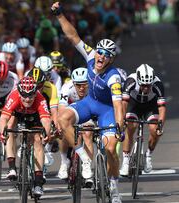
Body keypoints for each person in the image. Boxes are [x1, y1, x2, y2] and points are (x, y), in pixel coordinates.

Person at [52, 2, 124, 202]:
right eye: (100, 52)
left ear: (111, 59)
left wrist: (119, 126)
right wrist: (59, 15)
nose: (101, 56)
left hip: (107, 110)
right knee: (62, 118)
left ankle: (114, 186)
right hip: (89, 103)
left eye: (106, 55)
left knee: (110, 148)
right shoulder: (91, 55)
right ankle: (83, 156)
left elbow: (118, 105)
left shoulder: (113, 77)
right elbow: (73, 36)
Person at [0, 76, 52, 197]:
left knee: (38, 139)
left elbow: (46, 120)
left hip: (35, 118)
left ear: (35, 93)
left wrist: (47, 134)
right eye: (24, 96)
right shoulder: (14, 96)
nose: (27, 100)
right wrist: (3, 133)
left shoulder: (40, 99)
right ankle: (12, 168)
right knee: (9, 128)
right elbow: (3, 118)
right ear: (19, 93)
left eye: (30, 96)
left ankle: (38, 183)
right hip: (18, 114)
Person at [119, 64, 166, 176]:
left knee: (155, 130)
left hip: (150, 106)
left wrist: (160, 125)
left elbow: (162, 107)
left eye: (148, 86)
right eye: (143, 85)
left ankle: (148, 155)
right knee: (130, 127)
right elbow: (124, 103)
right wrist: (123, 120)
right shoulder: (130, 81)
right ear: (139, 80)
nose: (146, 88)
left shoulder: (158, 84)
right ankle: (125, 161)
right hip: (133, 105)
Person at [57, 67, 93, 185]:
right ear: (73, 83)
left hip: (89, 114)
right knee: (62, 131)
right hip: (72, 114)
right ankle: (64, 162)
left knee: (87, 133)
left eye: (84, 84)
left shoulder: (93, 88)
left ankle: (88, 170)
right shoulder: (66, 87)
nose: (82, 88)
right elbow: (61, 110)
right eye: (78, 85)